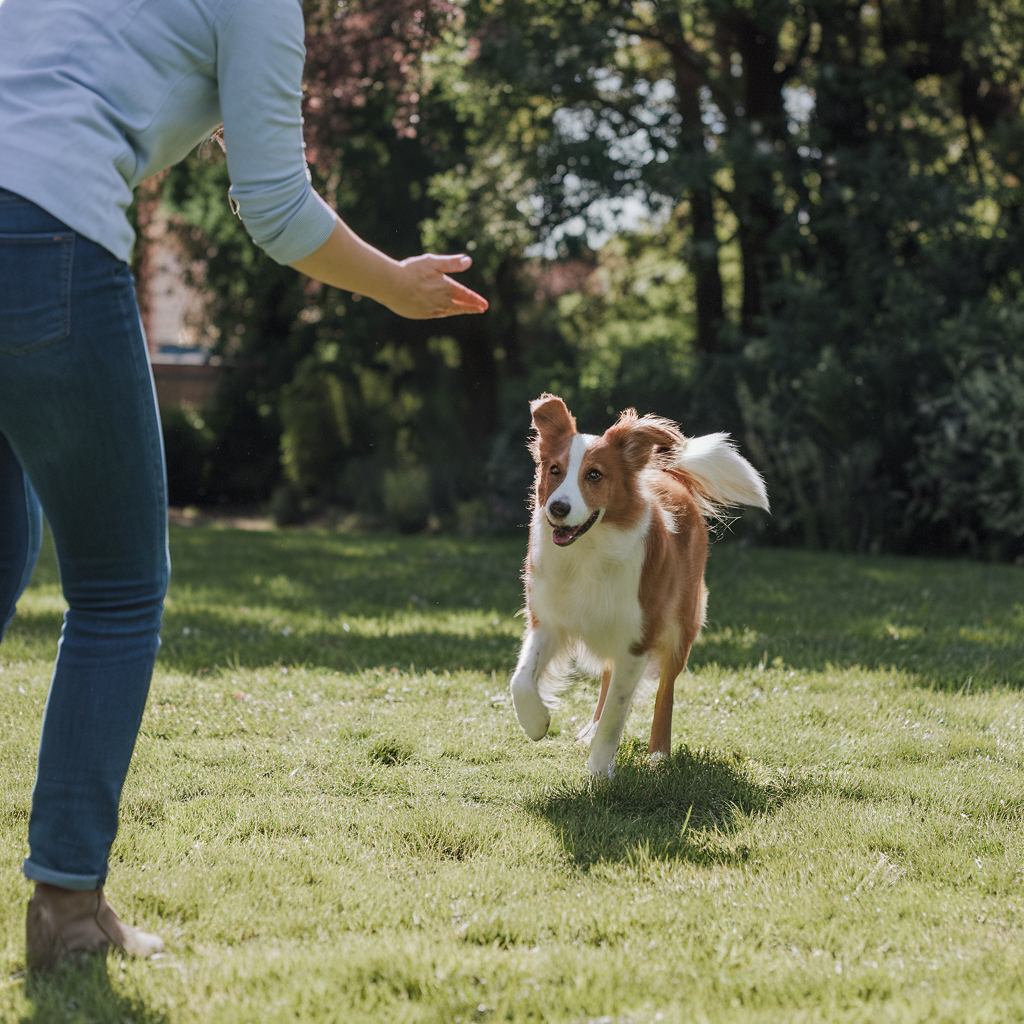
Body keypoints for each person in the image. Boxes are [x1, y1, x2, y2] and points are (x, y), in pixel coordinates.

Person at [0, 0, 488, 971]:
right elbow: (273, 207)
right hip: (45, 242)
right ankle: (68, 911)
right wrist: (392, 281)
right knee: (117, 588)